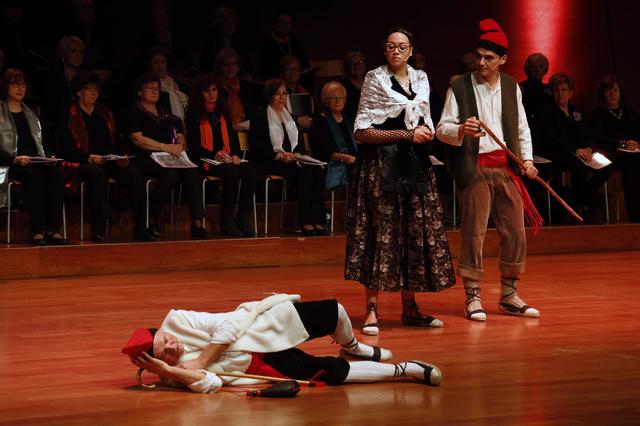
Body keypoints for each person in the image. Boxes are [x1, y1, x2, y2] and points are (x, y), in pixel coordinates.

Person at [345, 26, 455, 336]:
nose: (396, 51)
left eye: (402, 46)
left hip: (414, 166)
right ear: (384, 50)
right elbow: (362, 132)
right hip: (380, 167)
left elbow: (426, 120)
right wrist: (406, 134)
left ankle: (411, 307)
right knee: (379, 235)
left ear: (411, 51)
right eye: (391, 46)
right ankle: (371, 309)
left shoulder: (421, 78)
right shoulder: (374, 79)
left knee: (413, 233)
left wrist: (425, 134)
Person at [436, 18, 542, 322]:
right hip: (476, 168)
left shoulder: (511, 86)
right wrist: (460, 129)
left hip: (506, 168)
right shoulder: (459, 86)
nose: (481, 62)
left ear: (503, 60)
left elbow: (521, 128)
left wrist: (528, 160)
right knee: (474, 233)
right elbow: (441, 129)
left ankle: (509, 294)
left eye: (489, 58)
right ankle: (472, 296)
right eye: (478, 56)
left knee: (516, 232)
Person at [122, 294, 442, 393]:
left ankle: (352, 345)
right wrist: (172, 371)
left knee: (335, 311)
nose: (172, 348)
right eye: (166, 355)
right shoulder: (172, 374)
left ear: (163, 330)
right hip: (262, 365)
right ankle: (405, 370)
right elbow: (212, 384)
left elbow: (228, 324)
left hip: (262, 326)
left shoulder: (178, 319)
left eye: (166, 341)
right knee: (332, 372)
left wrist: (202, 360)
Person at [58, 71, 153, 242]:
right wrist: (89, 157)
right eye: (89, 89)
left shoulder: (105, 113)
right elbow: (65, 149)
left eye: (96, 90)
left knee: (133, 172)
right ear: (79, 91)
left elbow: (116, 140)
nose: (94, 93)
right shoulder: (68, 114)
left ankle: (140, 226)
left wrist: (122, 156)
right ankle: (99, 229)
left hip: (108, 160)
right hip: (82, 161)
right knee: (97, 173)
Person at [123, 72, 208, 240]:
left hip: (170, 156)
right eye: (150, 88)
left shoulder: (164, 112)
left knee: (193, 173)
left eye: (157, 88)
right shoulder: (133, 112)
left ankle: (197, 223)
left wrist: (181, 141)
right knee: (170, 175)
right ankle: (153, 219)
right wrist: (165, 147)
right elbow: (138, 139)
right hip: (146, 157)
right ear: (139, 92)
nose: (154, 91)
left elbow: (179, 132)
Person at [249, 78, 327, 236]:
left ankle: (318, 220)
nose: (281, 97)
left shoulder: (290, 117)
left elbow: (298, 144)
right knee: (304, 172)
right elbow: (258, 147)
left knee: (316, 170)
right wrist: (278, 156)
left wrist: (297, 155)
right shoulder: (260, 117)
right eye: (277, 94)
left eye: (284, 93)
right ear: (269, 96)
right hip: (271, 161)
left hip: (292, 160)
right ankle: (306, 221)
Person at [0, 68, 69, 245]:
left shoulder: (30, 113)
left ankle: (53, 229)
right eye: (15, 85)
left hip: (34, 161)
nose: (20, 89)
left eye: (23, 85)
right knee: (34, 177)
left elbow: (42, 142)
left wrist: (50, 156)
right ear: (6, 87)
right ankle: (37, 230)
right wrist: (15, 159)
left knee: (56, 176)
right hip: (10, 164)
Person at [185, 74, 257, 237]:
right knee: (231, 172)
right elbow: (194, 147)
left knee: (250, 170)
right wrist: (214, 155)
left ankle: (243, 216)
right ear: (200, 94)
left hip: (226, 158)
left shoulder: (223, 113)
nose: (211, 94)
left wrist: (236, 155)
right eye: (207, 91)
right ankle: (227, 217)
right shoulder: (193, 115)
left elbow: (233, 139)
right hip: (204, 160)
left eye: (214, 90)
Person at [537, 72, 609, 221]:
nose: (560, 93)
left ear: (570, 93)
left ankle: (578, 201)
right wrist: (575, 150)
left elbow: (588, 134)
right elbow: (551, 139)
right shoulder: (546, 112)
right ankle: (580, 206)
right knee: (580, 167)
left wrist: (589, 149)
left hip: (582, 153)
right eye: (556, 90)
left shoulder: (577, 111)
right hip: (559, 154)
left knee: (607, 166)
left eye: (563, 90)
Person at [589, 75, 640, 222]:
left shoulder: (630, 113)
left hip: (632, 152)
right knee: (632, 163)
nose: (612, 94)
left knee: (634, 160)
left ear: (620, 93)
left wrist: (635, 143)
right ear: (602, 93)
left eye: (615, 90)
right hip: (609, 153)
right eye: (608, 91)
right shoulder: (597, 114)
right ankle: (635, 216)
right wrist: (623, 143)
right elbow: (599, 138)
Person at [308, 81, 357, 191]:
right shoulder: (320, 122)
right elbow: (322, 152)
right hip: (331, 164)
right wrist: (344, 157)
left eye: (340, 98)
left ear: (345, 100)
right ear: (325, 101)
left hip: (352, 160)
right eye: (333, 98)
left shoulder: (349, 121)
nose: (337, 101)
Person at [213, 48, 260, 129]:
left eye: (233, 64)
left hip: (245, 128)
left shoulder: (245, 86)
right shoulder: (215, 87)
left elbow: (252, 111)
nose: (230, 68)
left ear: (238, 66)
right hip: (223, 129)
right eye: (226, 65)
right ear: (219, 67)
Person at [146, 46, 188, 124]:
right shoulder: (148, 88)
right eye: (155, 62)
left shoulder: (177, 84)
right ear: (149, 66)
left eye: (163, 62)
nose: (160, 65)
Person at [341, 51, 366, 120]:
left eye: (360, 62)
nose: (357, 66)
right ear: (346, 68)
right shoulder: (342, 87)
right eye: (352, 64)